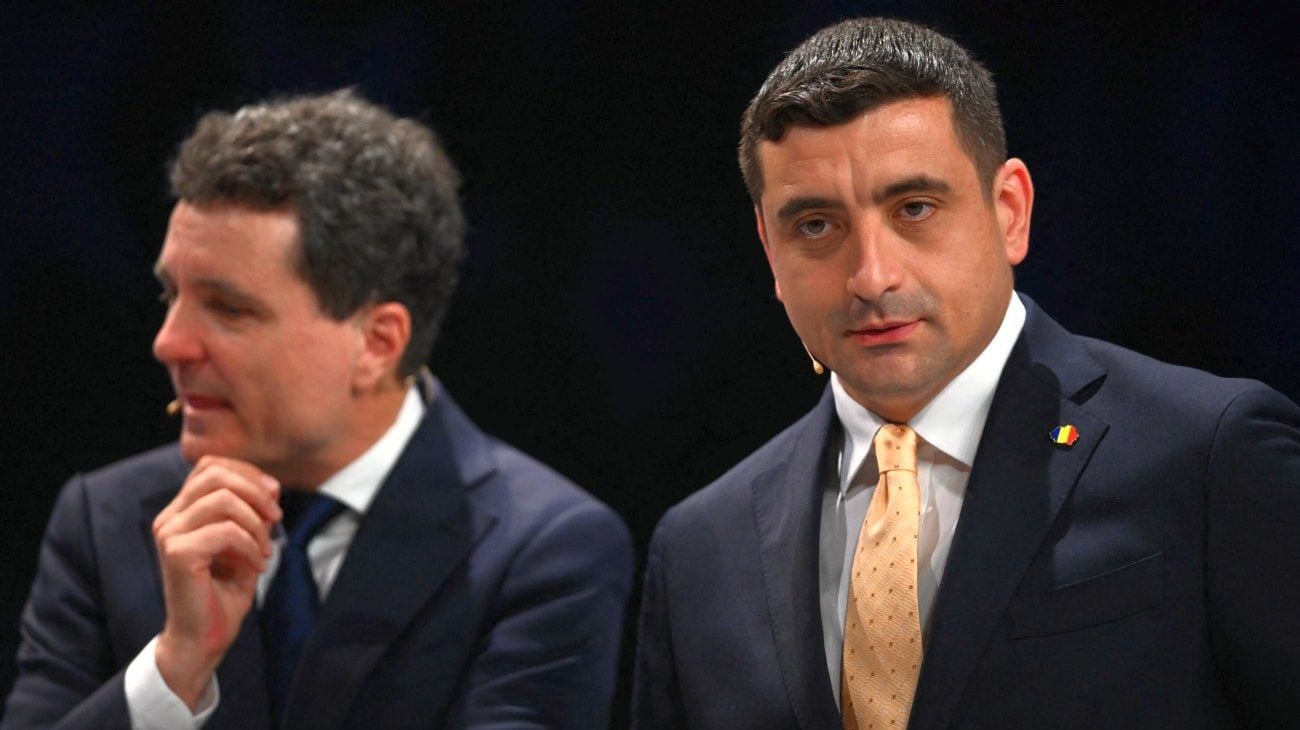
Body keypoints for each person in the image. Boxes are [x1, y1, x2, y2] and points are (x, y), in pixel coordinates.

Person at [631, 17, 1299, 728]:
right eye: (816, 226)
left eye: (914, 208)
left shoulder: (1208, 456)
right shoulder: (700, 548)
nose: (871, 276)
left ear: (1009, 212)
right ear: (770, 249)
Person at [3, 89, 633, 729]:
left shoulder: (543, 550)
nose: (169, 342)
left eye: (228, 308)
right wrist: (174, 671)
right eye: (171, 295)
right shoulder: (103, 520)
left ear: (376, 343)